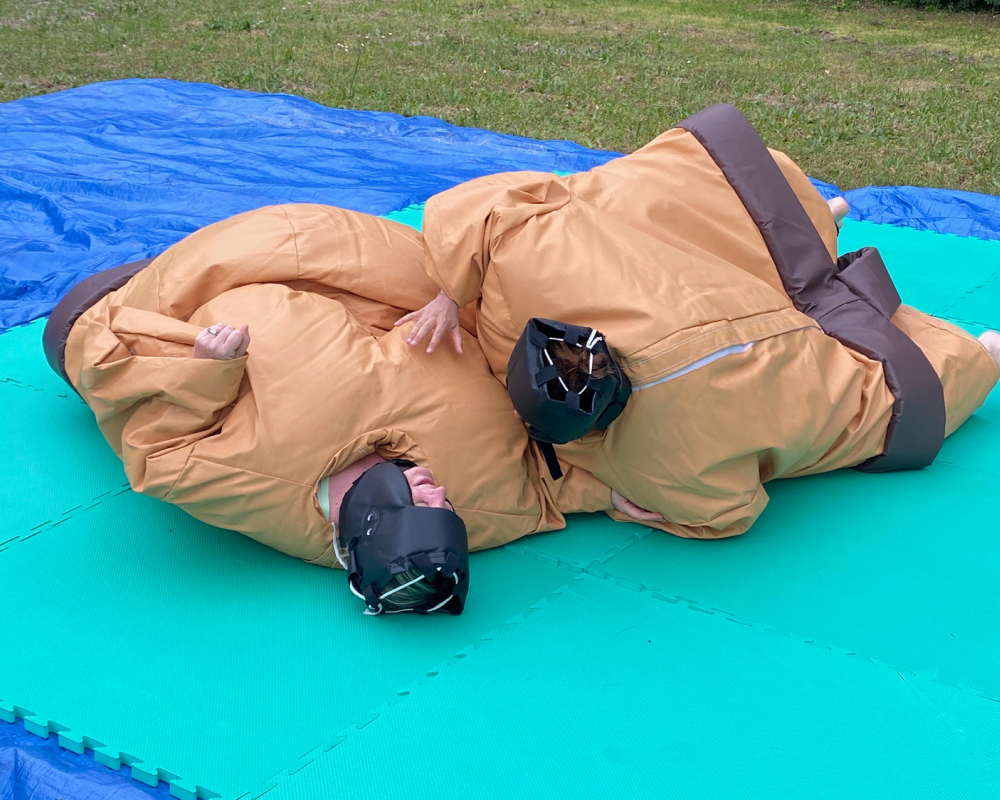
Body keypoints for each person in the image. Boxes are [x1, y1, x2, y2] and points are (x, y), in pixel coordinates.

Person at [399, 105, 1000, 539]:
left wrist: (608, 497)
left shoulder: (652, 464)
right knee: (689, 217)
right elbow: (481, 205)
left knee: (871, 397)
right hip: (729, 276)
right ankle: (825, 218)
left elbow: (729, 513)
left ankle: (980, 351)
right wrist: (453, 291)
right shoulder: (529, 282)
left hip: (795, 359)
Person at [47, 203, 652, 613]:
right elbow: (546, 493)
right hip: (406, 294)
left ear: (365, 525)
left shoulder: (245, 481)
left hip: (193, 296)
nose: (442, 500)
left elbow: (156, 445)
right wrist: (610, 498)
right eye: (449, 518)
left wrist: (209, 373)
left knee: (90, 339)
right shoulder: (481, 509)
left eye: (425, 511)